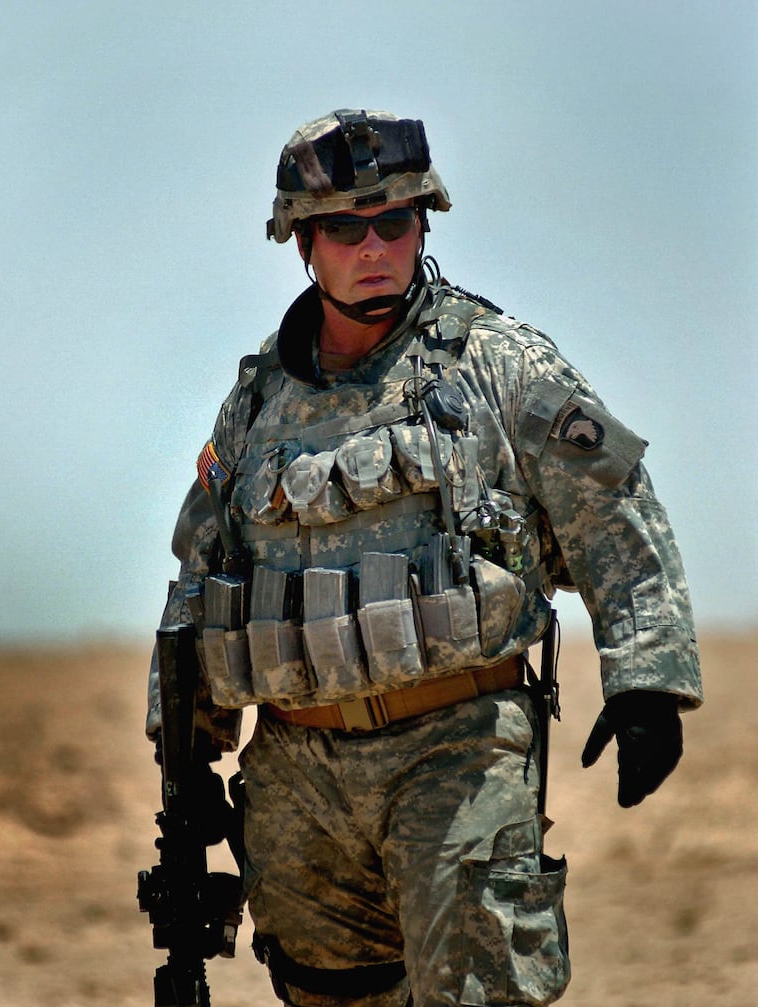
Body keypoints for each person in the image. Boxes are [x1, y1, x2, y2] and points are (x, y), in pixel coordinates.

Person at [146, 108, 703, 1007]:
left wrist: (647, 681)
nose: (373, 247)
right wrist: (188, 757)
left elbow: (618, 508)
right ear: (302, 244)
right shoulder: (253, 407)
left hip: (458, 749)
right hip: (298, 777)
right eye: (343, 227)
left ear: (424, 224)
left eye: (394, 222)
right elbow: (201, 584)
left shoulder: (497, 364)